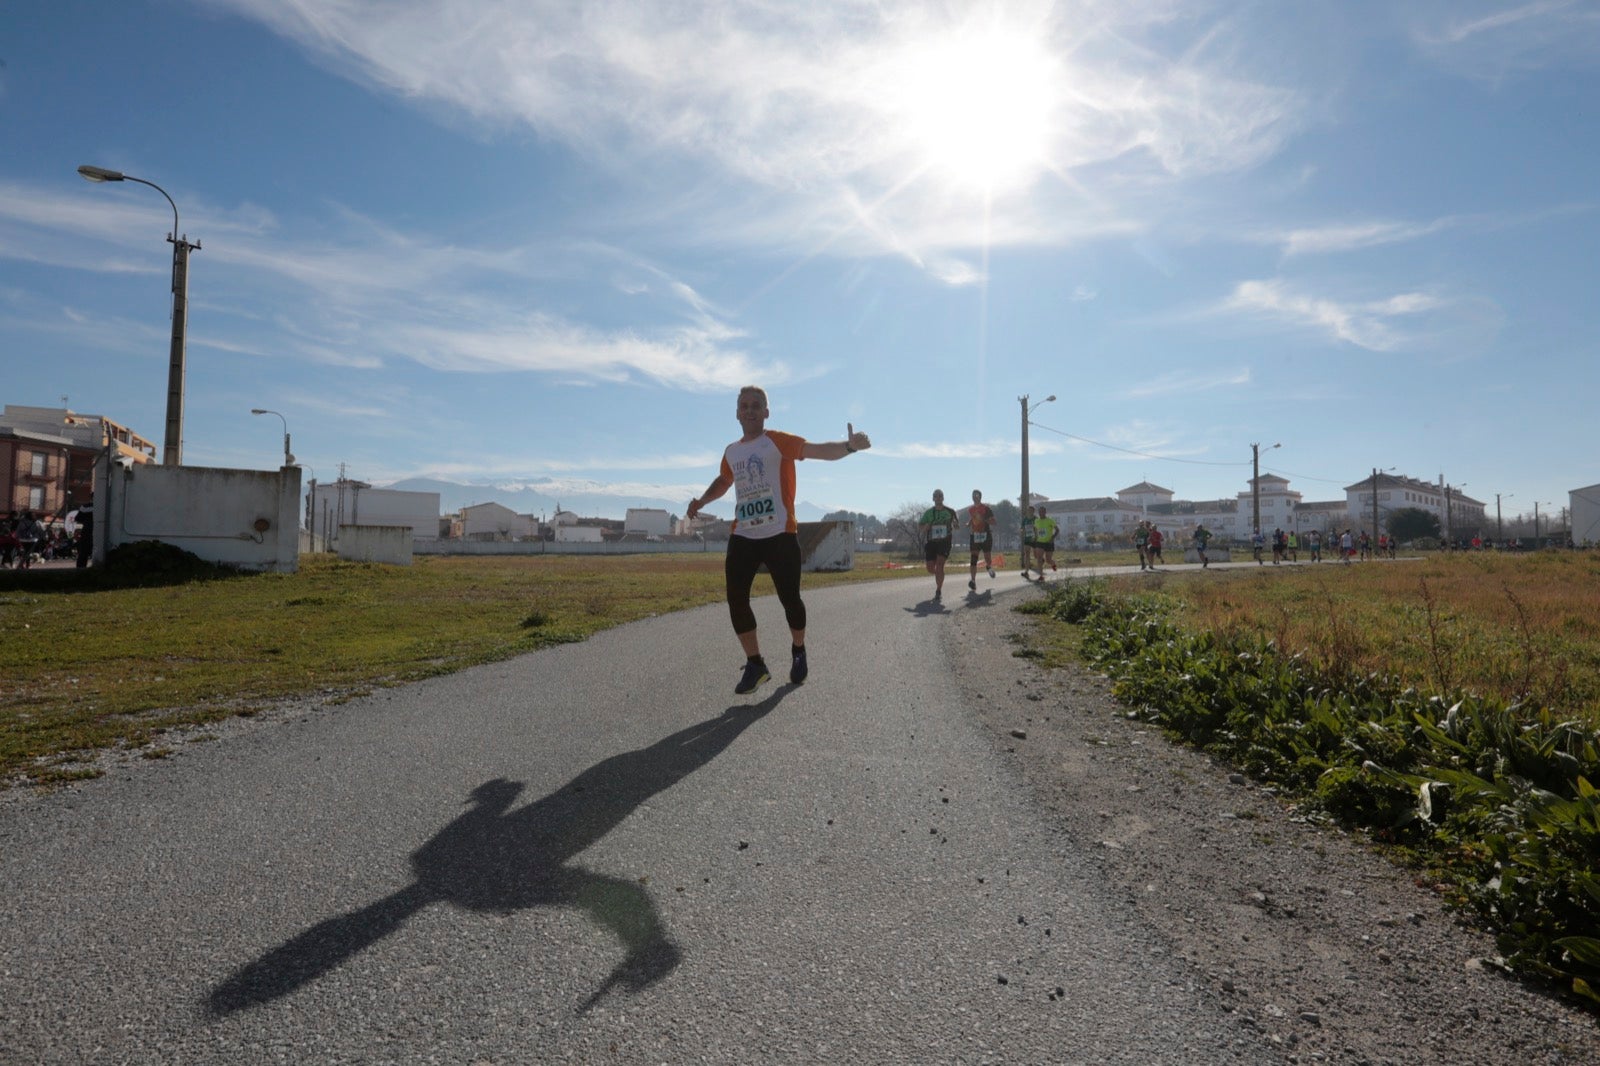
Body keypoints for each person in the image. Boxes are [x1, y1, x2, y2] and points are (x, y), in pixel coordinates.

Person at [686, 386, 871, 695]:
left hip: (779, 534)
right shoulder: (732, 451)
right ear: (736, 413)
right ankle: (755, 663)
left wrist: (849, 447)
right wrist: (702, 501)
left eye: (756, 405)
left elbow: (818, 450)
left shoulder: (777, 441)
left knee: (790, 599)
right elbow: (723, 481)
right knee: (736, 598)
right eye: (744, 406)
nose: (749, 410)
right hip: (743, 534)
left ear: (766, 412)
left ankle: (798, 650)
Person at [919, 489, 959, 601]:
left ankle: (938, 590)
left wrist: (955, 525)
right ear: (933, 499)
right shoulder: (928, 513)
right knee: (930, 568)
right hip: (931, 542)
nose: (938, 498)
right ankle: (938, 574)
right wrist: (925, 527)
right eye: (936, 496)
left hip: (945, 542)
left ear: (943, 498)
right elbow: (920, 526)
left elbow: (957, 525)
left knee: (940, 564)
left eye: (940, 496)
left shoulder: (950, 511)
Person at [965, 489, 996, 591]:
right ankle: (973, 581)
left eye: (977, 495)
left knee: (987, 557)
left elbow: (994, 522)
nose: (975, 497)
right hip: (975, 536)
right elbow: (973, 518)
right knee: (973, 559)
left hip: (986, 535)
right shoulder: (971, 509)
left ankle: (989, 566)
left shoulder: (986, 509)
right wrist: (968, 523)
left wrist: (984, 519)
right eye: (973, 495)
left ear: (980, 497)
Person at [1033, 505, 1058, 575]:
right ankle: (1041, 575)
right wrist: (1035, 537)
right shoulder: (1036, 521)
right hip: (1040, 542)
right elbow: (1035, 529)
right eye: (1040, 512)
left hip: (1048, 543)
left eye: (1042, 511)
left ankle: (1053, 564)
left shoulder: (1050, 520)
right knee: (1039, 558)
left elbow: (1057, 530)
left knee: (1048, 560)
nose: (1041, 513)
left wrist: (1052, 538)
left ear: (1045, 512)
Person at [75, 501, 94, 568]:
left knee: (83, 552)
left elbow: (77, 518)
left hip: (86, 530)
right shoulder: (103, 505)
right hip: (99, 530)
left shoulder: (85, 507)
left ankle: (80, 569)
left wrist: (86, 521)